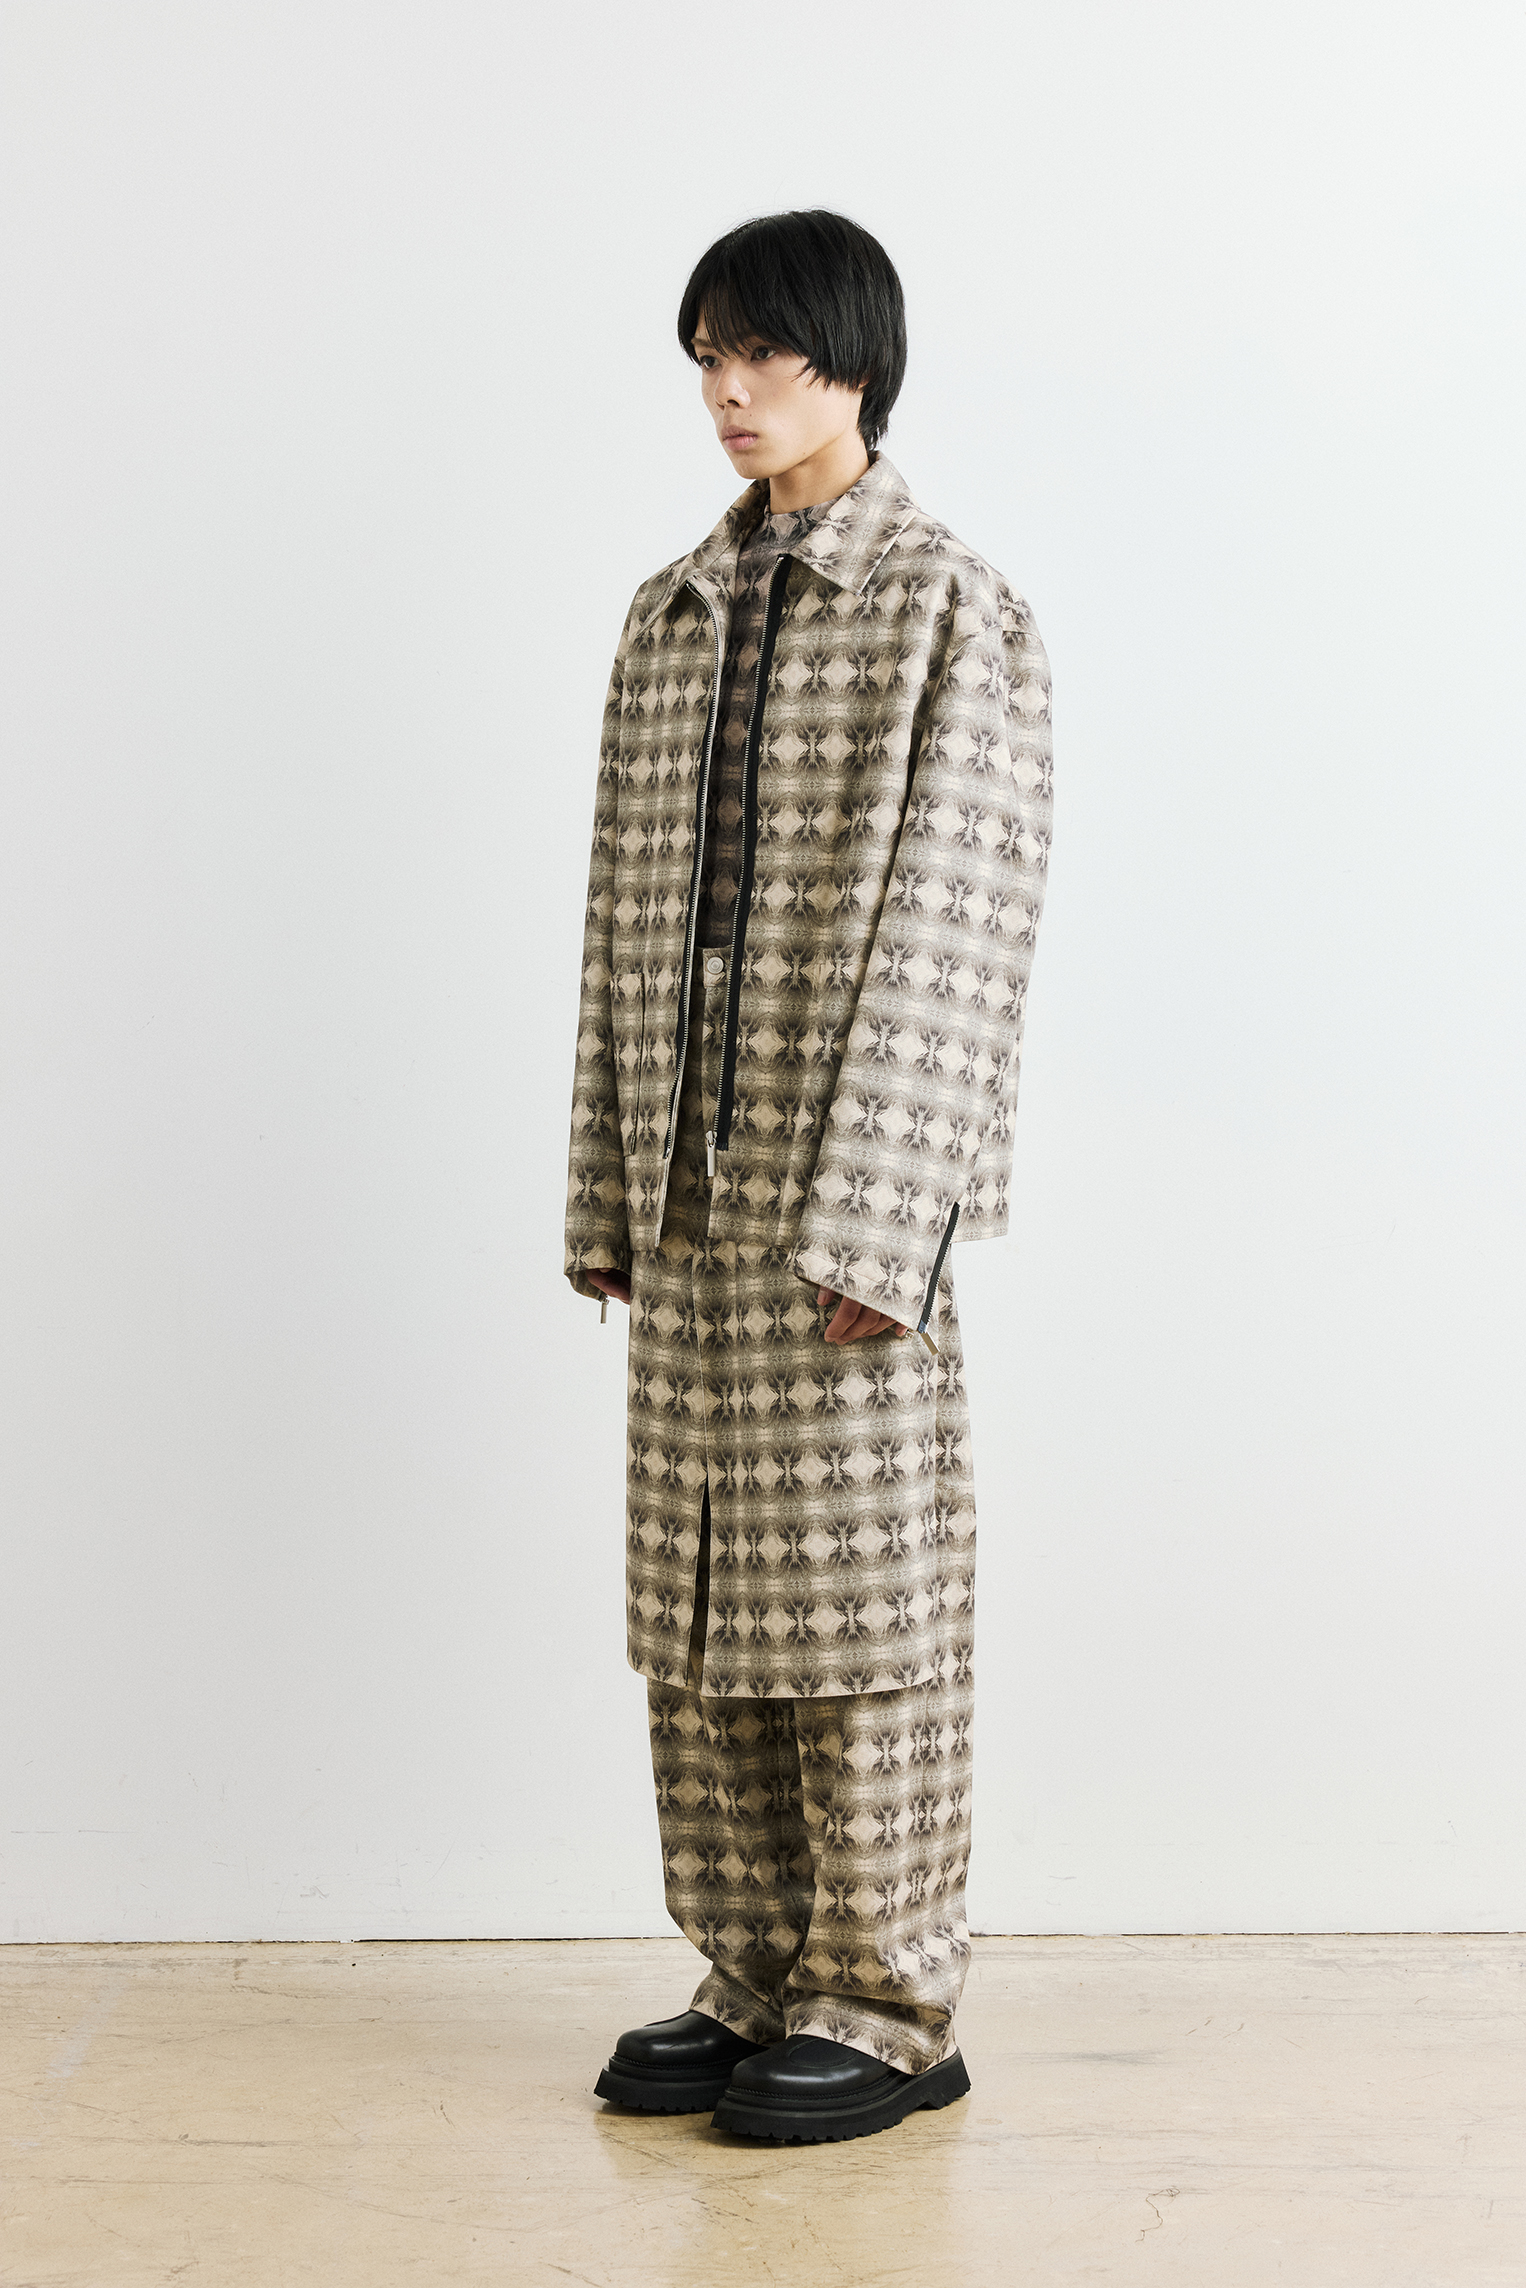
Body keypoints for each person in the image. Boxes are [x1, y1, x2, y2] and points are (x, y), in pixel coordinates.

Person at [563, 209, 1053, 2145]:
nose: (729, 389)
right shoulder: (669, 612)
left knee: (863, 1615)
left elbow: (958, 929)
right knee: (698, 1614)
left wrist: (887, 1222)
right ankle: (753, 1972)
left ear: (855, 360)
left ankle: (883, 2000)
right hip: (685, 1194)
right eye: (707, 355)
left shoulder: (950, 608)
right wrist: (604, 1187)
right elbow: (616, 919)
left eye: (764, 352)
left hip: (839, 1191)